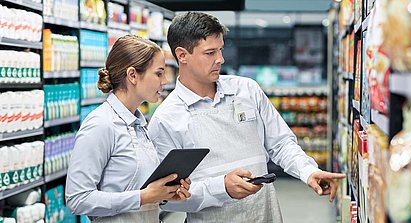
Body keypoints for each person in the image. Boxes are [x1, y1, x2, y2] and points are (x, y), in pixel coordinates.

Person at [147, 12, 345, 222]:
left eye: (221, 49)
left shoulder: (246, 90)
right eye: (210, 53)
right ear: (182, 55)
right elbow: (167, 196)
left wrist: (308, 171)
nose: (220, 59)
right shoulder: (166, 119)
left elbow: (281, 143)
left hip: (265, 215)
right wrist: (222, 188)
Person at [66, 35, 191, 222]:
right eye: (158, 73)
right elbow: (77, 199)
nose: (165, 81)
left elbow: (137, 189)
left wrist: (163, 194)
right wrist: (143, 197)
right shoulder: (100, 124)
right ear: (132, 75)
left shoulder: (139, 125)